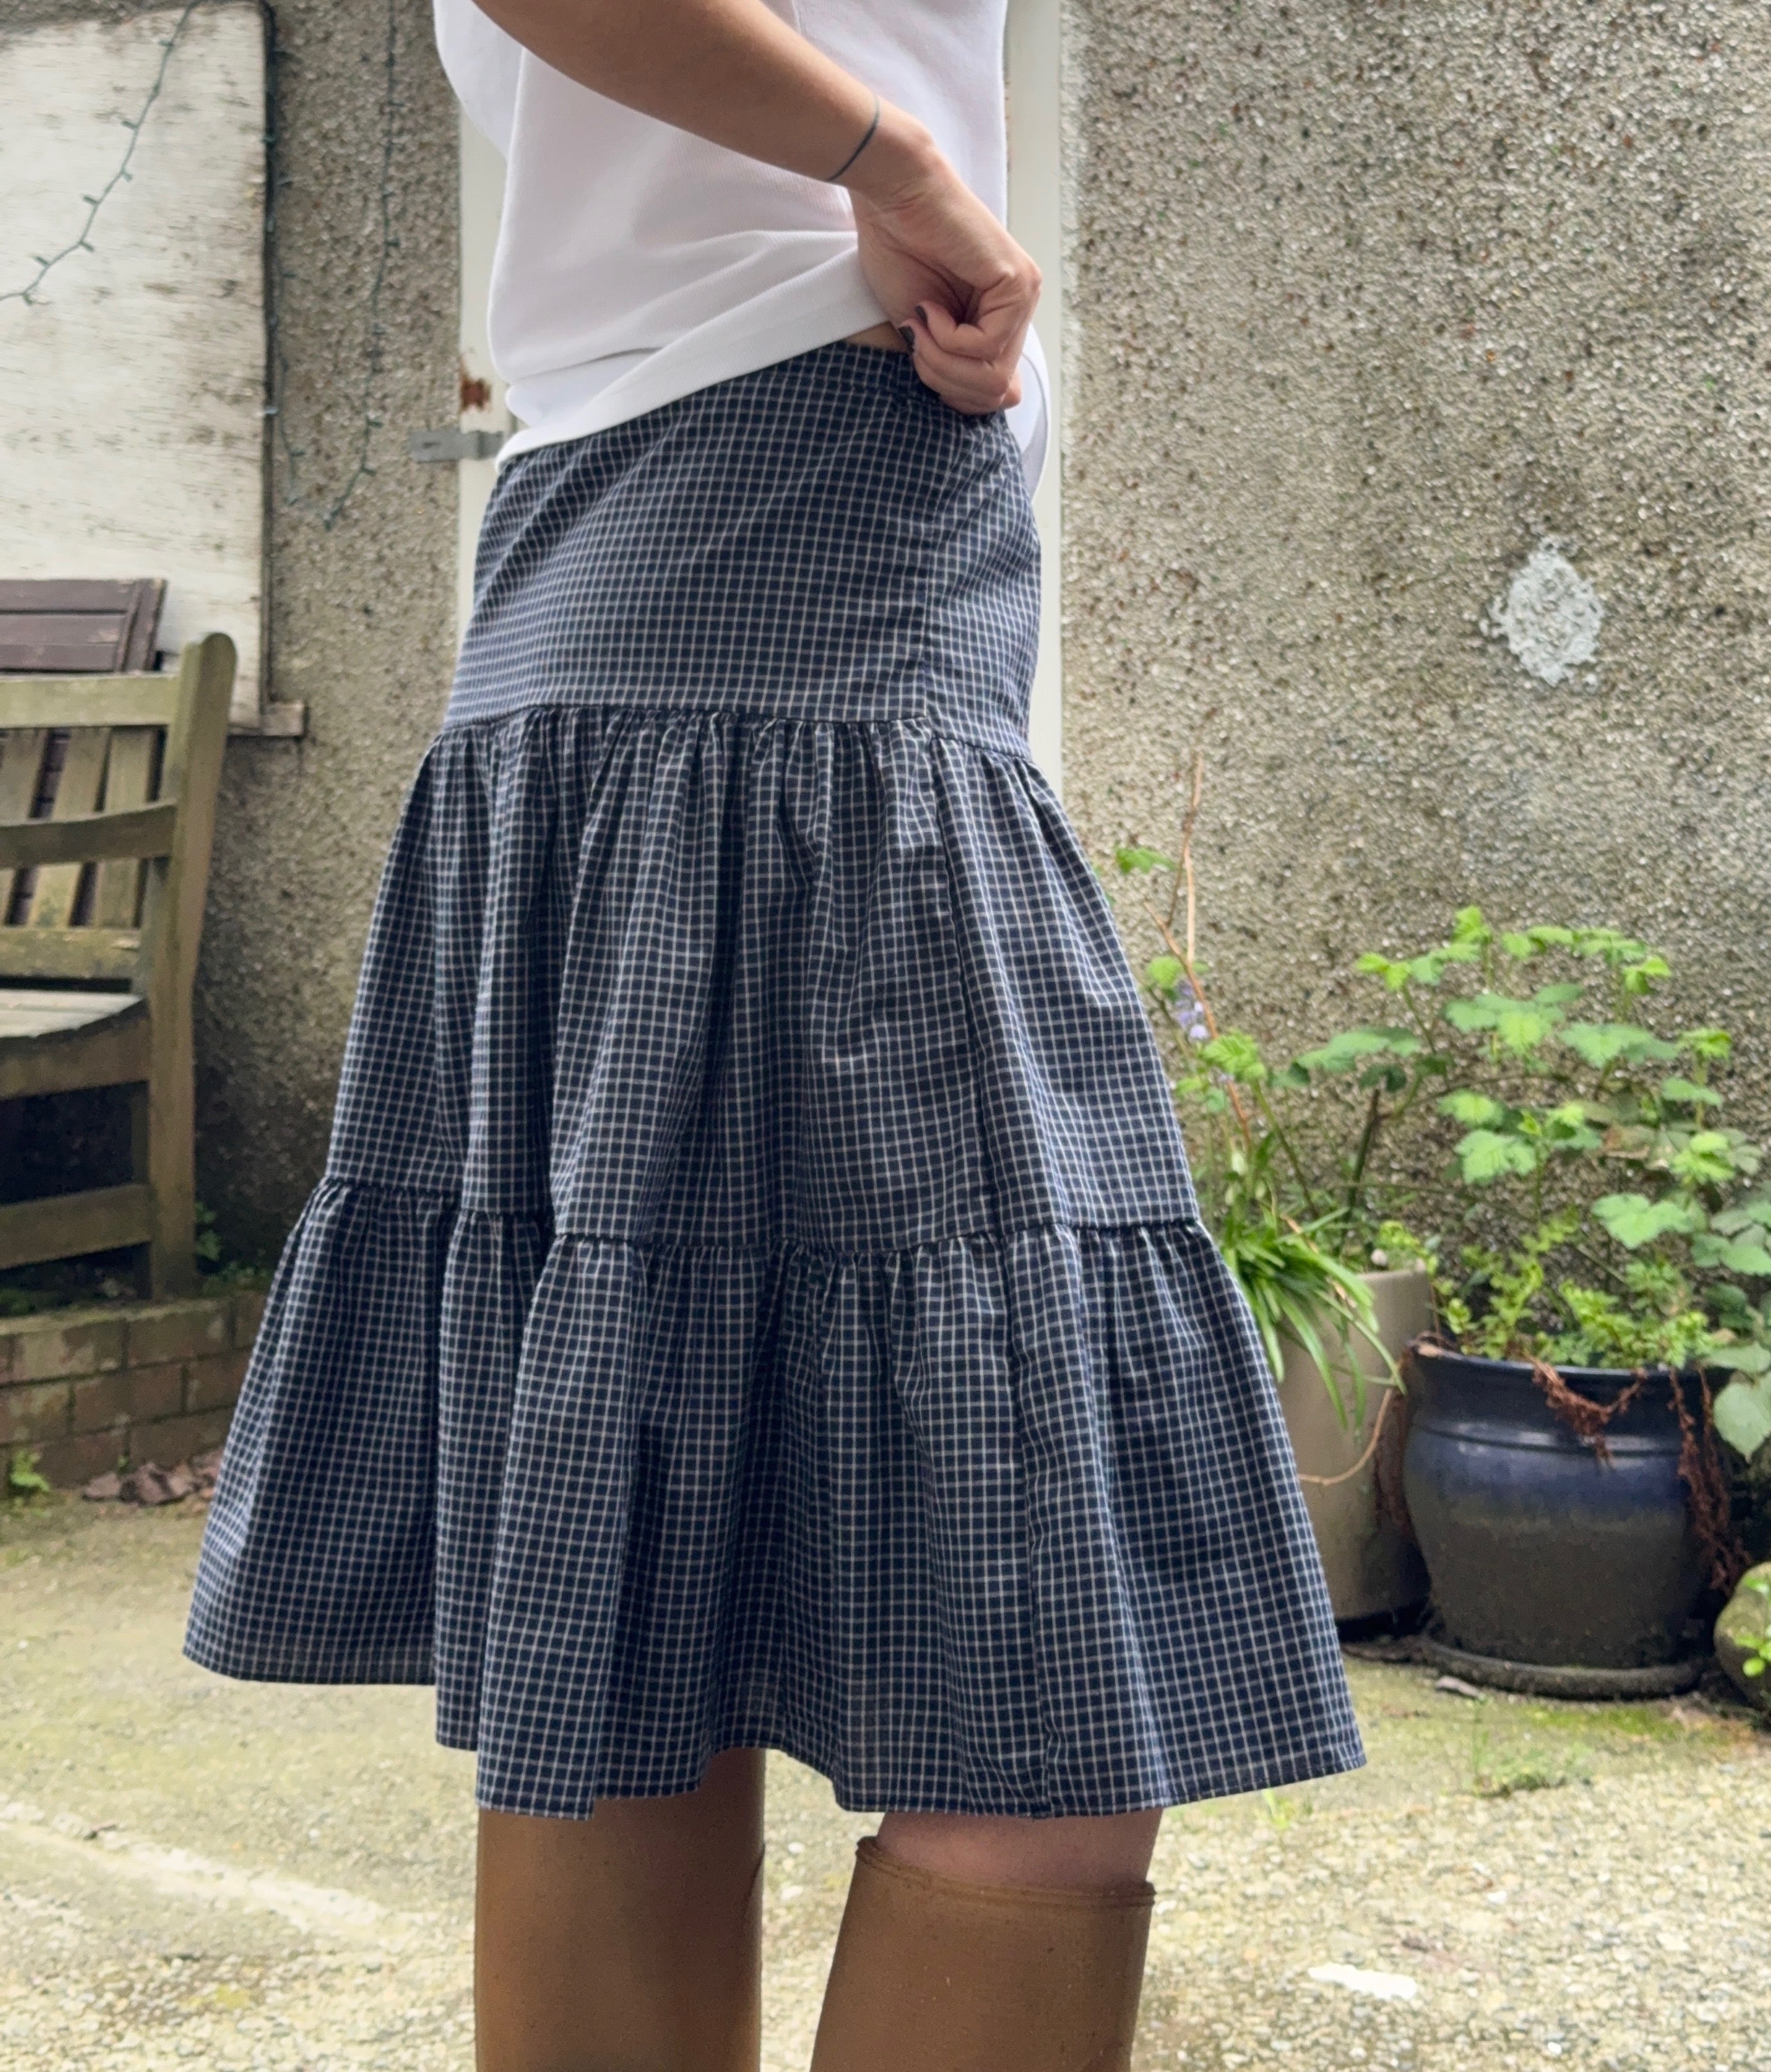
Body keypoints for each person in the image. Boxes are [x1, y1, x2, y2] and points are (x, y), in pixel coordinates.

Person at [185, 0, 1364, 2062]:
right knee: (1042, 1731)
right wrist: (902, 171)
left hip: (645, 602)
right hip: (790, 595)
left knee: (633, 1632)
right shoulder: (851, 201)